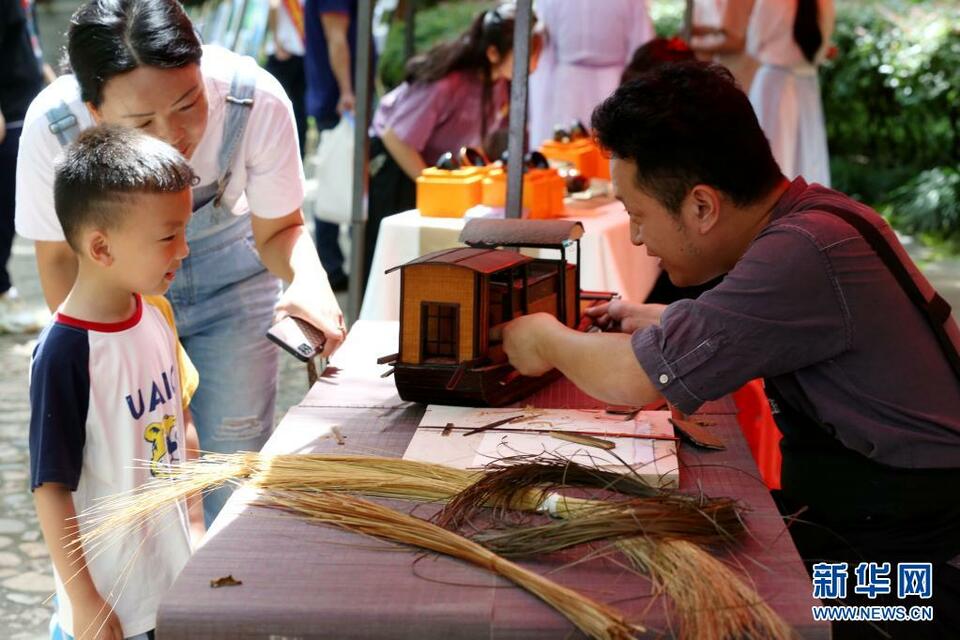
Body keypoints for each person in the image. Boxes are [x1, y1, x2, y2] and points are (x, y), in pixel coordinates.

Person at [499, 62, 960, 638]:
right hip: (872, 522)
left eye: (638, 216)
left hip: (914, 574)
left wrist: (543, 337)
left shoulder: (802, 253)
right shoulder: (816, 219)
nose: (637, 239)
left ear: (701, 206)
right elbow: (761, 324)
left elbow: (635, 380)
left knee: (724, 608)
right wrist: (664, 317)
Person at [15, 0, 345, 525]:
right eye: (142, 120)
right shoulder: (52, 127)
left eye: (189, 103)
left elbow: (280, 229)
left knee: (234, 460)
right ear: (95, 112)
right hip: (118, 301)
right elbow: (58, 258)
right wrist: (97, 350)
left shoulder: (254, 99)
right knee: (129, 468)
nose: (174, 134)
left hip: (233, 291)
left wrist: (309, 278)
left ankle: (226, 591)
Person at [31, 125, 199, 640]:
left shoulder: (155, 314)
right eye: (169, 236)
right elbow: (50, 489)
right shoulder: (64, 354)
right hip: (112, 608)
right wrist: (86, 604)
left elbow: (182, 424)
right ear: (101, 248)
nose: (185, 250)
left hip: (172, 581)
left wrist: (196, 530)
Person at [365, 2, 540, 286]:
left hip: (436, 172)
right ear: (493, 52)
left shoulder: (500, 85)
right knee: (395, 260)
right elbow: (396, 138)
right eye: (527, 51)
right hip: (398, 166)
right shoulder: (448, 83)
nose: (534, 61)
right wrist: (431, 183)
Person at [526, 0, 652, 146]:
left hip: (614, 82)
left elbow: (640, 50)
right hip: (567, 85)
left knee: (610, 142)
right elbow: (544, 53)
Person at [0, 0, 53, 332]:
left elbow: (25, 42)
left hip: (27, 104)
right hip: (10, 111)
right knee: (5, 208)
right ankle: (3, 292)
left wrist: (47, 74)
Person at [746, 0, 834, 186]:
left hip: (774, 82)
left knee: (771, 155)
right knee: (808, 156)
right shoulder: (825, 3)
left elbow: (753, 43)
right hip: (806, 84)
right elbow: (822, 49)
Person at [304, 0, 359, 291]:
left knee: (338, 181)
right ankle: (332, 268)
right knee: (337, 183)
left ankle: (334, 266)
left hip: (337, 99)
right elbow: (336, 37)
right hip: (340, 103)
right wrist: (348, 91)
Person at [266, 0, 307, 153]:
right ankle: (298, 158)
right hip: (302, 53)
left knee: (268, 107)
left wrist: (276, 41)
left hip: (283, 54)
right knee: (299, 112)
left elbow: (273, 6)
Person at [690, 0, 758, 92]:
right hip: (726, 67)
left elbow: (735, 42)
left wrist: (691, 44)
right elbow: (721, 30)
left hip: (739, 68)